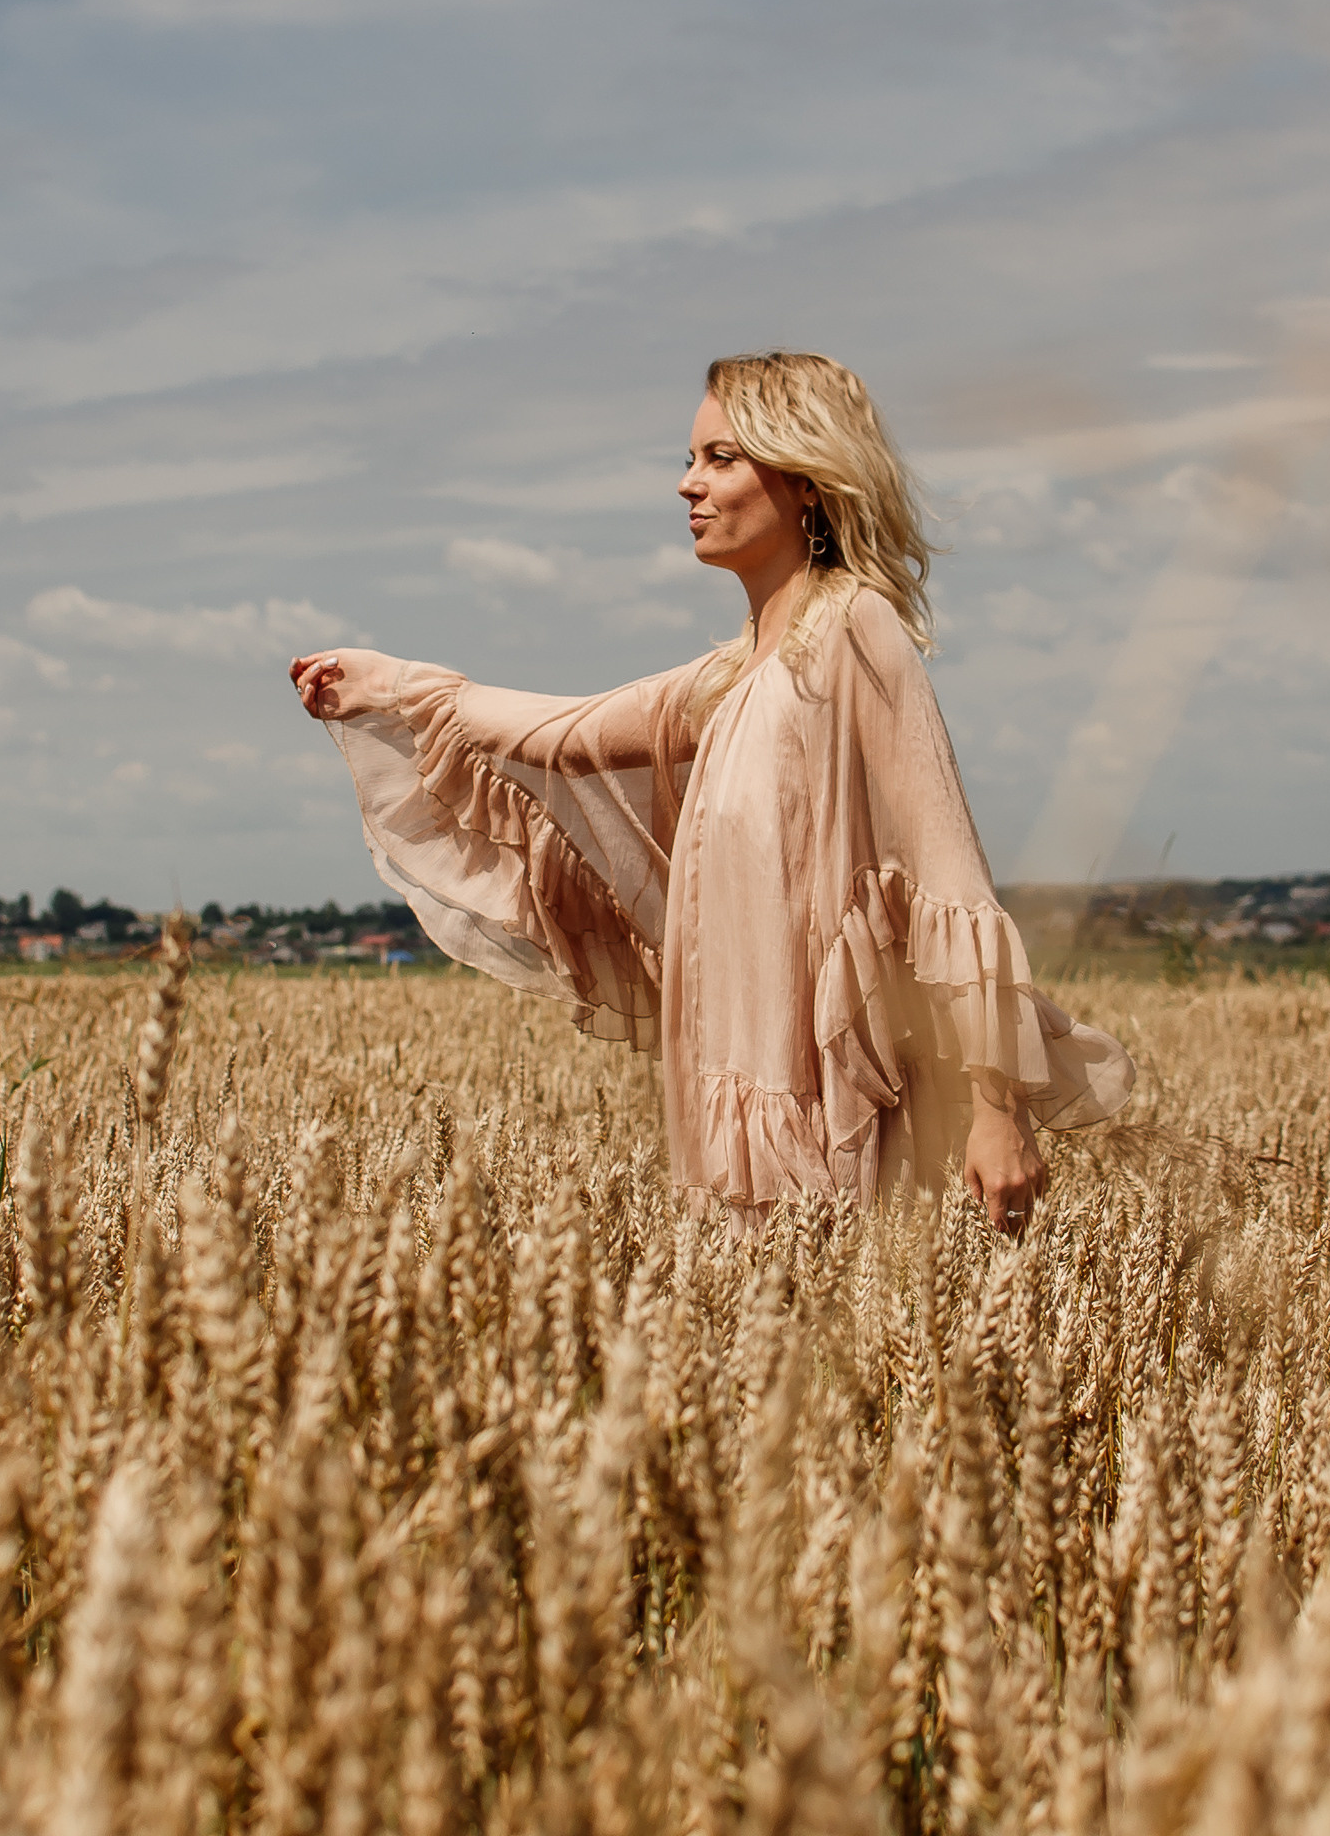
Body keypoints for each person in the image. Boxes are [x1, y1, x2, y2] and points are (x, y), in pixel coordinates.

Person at [289, 350, 1132, 1232]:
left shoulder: (854, 630)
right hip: (728, 1106)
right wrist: (393, 686)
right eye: (690, 459)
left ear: (806, 480)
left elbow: (947, 873)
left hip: (820, 1111)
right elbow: (564, 735)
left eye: (720, 459)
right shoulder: (734, 674)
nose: (688, 485)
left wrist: (996, 1109)